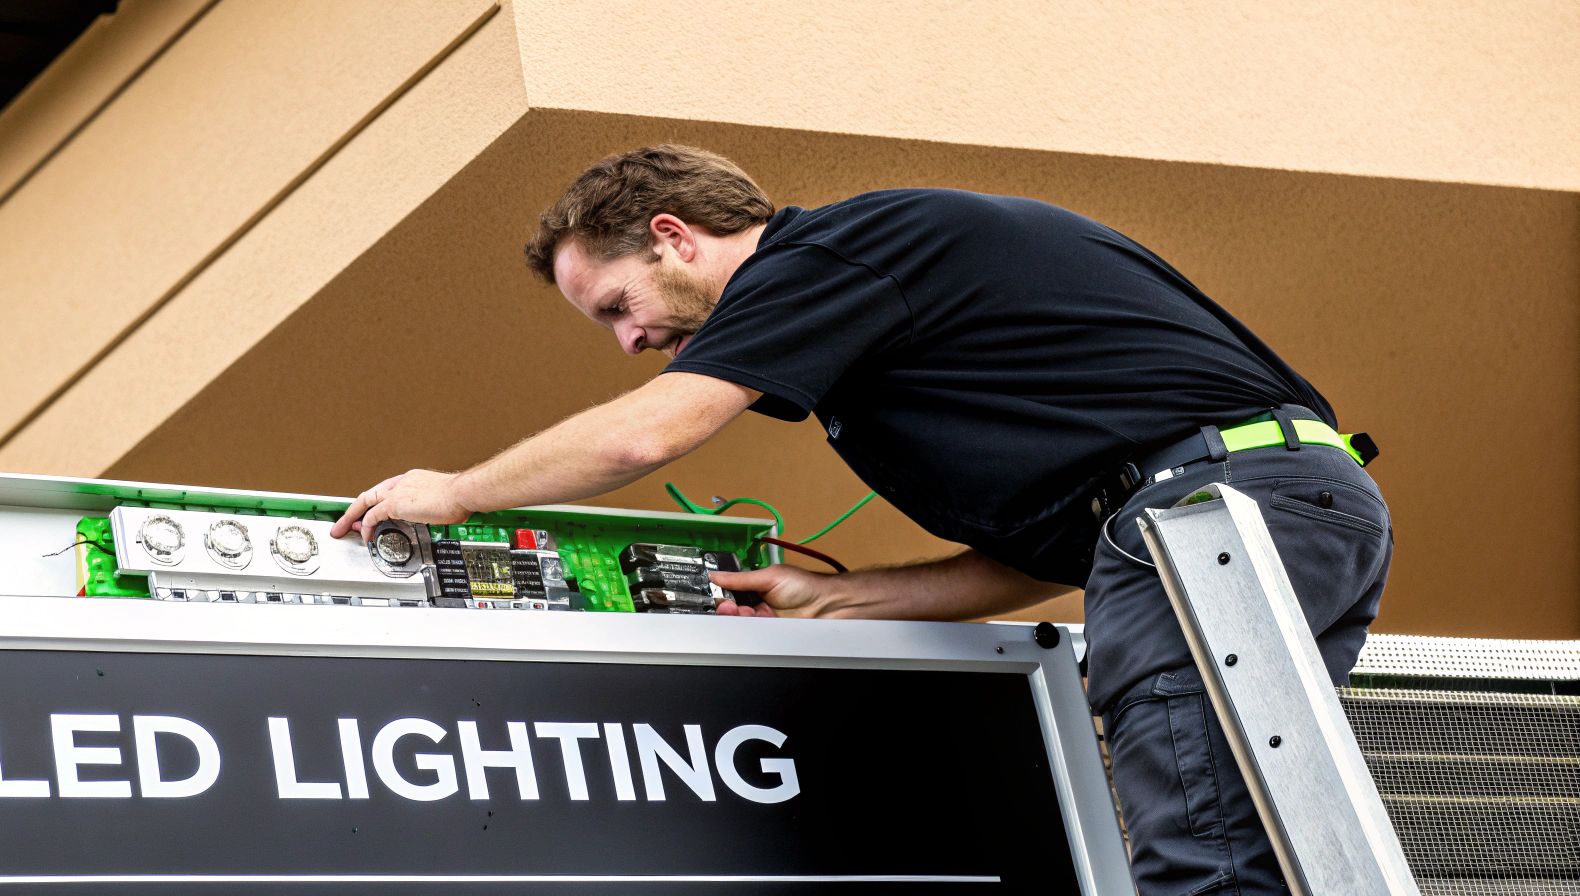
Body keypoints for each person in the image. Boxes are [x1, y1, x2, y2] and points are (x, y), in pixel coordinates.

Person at [331, 144, 1393, 894]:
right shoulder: (882, 309)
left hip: (1210, 513)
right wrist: (841, 597)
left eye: (617, 305)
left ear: (673, 236)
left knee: (1201, 849)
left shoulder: (827, 254)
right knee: (1270, 833)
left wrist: (457, 491)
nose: (627, 340)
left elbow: (645, 435)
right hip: (1266, 507)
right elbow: (1049, 555)